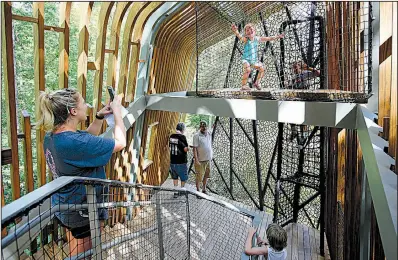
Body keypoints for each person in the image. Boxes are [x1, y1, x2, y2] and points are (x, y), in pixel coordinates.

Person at [36, 88, 126, 257]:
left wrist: (99, 117)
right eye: (83, 102)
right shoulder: (74, 143)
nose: (87, 105)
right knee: (82, 254)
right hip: (81, 208)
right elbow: (120, 143)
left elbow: (85, 140)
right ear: (73, 111)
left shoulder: (52, 136)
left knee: (77, 248)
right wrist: (117, 113)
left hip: (66, 203)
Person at [232, 23, 284, 91]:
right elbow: (239, 36)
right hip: (246, 60)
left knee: (262, 68)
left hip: (254, 60)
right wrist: (236, 31)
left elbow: (268, 38)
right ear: (245, 33)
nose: (249, 30)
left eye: (251, 29)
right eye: (247, 30)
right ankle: (243, 85)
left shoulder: (257, 39)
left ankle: (257, 83)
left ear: (255, 31)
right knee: (248, 70)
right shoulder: (246, 40)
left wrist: (278, 36)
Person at [288, 61, 321, 146]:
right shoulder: (293, 77)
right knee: (289, 114)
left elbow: (318, 73)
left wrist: (308, 67)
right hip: (296, 99)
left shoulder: (305, 74)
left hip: (305, 98)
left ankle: (304, 137)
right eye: (293, 68)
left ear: (299, 67)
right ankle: (294, 132)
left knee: (303, 120)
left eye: (296, 67)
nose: (294, 69)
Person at [169, 122, 189, 198]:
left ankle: (175, 192)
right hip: (181, 162)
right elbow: (185, 149)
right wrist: (188, 148)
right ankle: (182, 191)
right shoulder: (182, 137)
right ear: (183, 129)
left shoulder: (171, 136)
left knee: (175, 177)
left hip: (173, 161)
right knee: (183, 178)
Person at [192, 121, 213, 194]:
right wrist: (196, 160)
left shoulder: (209, 133)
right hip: (200, 160)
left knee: (206, 175)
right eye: (202, 127)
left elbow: (212, 128)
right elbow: (194, 149)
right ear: (200, 127)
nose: (204, 128)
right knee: (199, 176)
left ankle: (204, 189)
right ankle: (198, 191)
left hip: (208, 159)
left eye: (205, 126)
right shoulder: (196, 136)